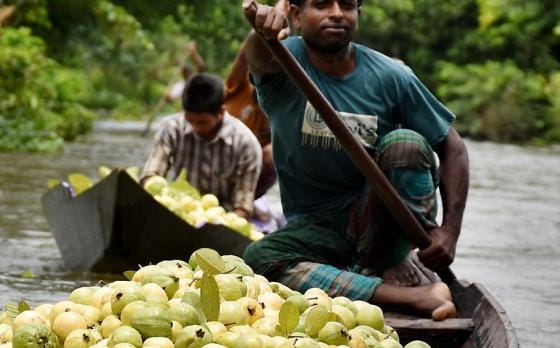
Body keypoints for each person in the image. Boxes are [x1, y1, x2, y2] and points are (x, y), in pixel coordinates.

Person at [240, 0, 469, 320]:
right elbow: (258, 57)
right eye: (321, 4)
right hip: (317, 227)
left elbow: (452, 147)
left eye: (347, 5)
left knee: (406, 144)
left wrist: (450, 232)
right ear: (296, 16)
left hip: (384, 224)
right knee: (258, 258)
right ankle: (411, 296)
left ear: (357, 14)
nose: (336, 13)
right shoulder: (282, 58)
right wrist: (263, 31)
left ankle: (388, 261)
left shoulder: (392, 76)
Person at [141, 73, 263, 219]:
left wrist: (229, 223)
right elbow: (151, 174)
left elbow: (242, 204)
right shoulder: (171, 128)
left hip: (221, 216)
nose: (195, 128)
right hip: (180, 208)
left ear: (221, 112)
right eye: (190, 120)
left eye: (202, 122)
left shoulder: (245, 143)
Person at [224, 0, 295, 233]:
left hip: (248, 176)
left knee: (273, 153)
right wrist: (270, 18)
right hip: (218, 161)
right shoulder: (239, 87)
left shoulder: (277, 106)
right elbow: (249, 53)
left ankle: (243, 205)